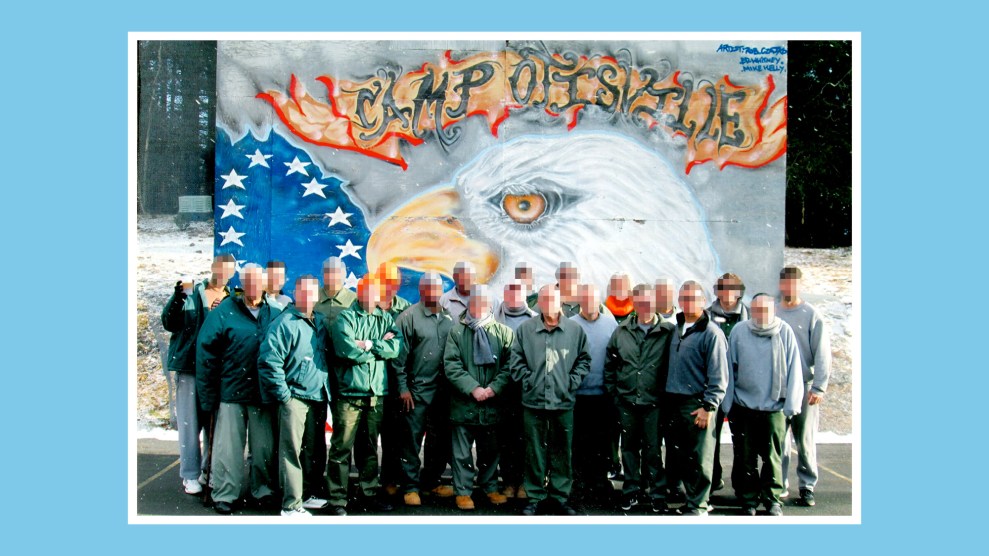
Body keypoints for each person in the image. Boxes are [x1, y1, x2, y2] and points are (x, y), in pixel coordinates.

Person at [196, 263, 281, 514]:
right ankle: (225, 494)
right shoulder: (224, 312)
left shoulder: (274, 312)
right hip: (231, 392)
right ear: (242, 284)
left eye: (257, 281)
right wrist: (208, 394)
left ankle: (263, 491)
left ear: (264, 284)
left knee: (264, 448)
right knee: (228, 449)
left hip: (262, 394)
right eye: (248, 281)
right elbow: (205, 353)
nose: (253, 286)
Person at [510, 285, 592, 516]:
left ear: (560, 302)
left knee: (561, 450)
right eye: (544, 299)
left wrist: (571, 382)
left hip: (563, 401)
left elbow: (584, 360)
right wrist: (529, 381)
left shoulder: (575, 331)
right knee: (534, 450)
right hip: (533, 401)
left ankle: (559, 496)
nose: (548, 303)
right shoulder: (526, 329)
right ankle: (535, 496)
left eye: (552, 299)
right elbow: (515, 360)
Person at [325, 275, 403, 514]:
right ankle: (338, 499)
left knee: (369, 448)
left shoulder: (386, 318)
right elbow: (346, 350)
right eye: (367, 292)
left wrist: (368, 344)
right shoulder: (345, 318)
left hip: (376, 393)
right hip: (349, 394)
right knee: (341, 448)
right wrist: (379, 345)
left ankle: (368, 494)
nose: (372, 297)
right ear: (359, 294)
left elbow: (396, 348)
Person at [257, 274, 333, 518]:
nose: (308, 297)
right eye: (304, 292)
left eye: (313, 293)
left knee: (314, 450)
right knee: (291, 451)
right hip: (295, 398)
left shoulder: (319, 321)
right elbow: (268, 361)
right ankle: (290, 504)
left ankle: (307, 494)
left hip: (317, 396)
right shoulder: (285, 323)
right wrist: (284, 395)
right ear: (296, 293)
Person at [160, 253, 235, 495]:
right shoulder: (192, 291)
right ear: (213, 267)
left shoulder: (232, 298)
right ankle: (190, 474)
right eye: (220, 268)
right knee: (189, 422)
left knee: (213, 422)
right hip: (190, 367)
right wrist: (177, 297)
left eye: (228, 271)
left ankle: (207, 470)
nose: (223, 274)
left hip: (217, 368)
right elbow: (169, 322)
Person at [723, 293, 803, 516]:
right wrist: (727, 404)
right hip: (744, 406)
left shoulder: (784, 332)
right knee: (744, 457)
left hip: (774, 408)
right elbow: (730, 369)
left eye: (765, 310)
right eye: (756, 310)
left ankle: (772, 498)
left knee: (772, 457)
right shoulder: (740, 331)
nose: (760, 315)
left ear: (773, 310)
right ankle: (747, 499)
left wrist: (791, 405)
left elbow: (794, 368)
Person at [604, 283, 675, 514]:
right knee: (629, 450)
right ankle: (631, 490)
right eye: (640, 302)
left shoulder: (668, 332)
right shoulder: (622, 331)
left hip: (654, 403)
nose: (644, 306)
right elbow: (610, 365)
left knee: (653, 451)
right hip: (627, 402)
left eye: (648, 302)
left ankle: (656, 493)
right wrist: (616, 395)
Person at [443, 285, 514, 510]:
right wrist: (473, 388)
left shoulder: (504, 333)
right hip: (464, 403)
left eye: (483, 302)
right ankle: (463, 492)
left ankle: (490, 487)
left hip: (492, 403)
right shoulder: (456, 332)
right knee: (462, 453)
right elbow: (451, 365)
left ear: (490, 305)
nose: (478, 306)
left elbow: (511, 365)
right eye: (474, 302)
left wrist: (493, 388)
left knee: (490, 451)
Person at [390, 273, 457, 505]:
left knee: (438, 440)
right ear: (421, 290)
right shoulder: (407, 318)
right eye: (428, 288)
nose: (433, 293)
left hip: (442, 392)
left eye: (437, 289)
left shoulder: (448, 318)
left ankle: (432, 483)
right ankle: (410, 487)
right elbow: (398, 358)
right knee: (411, 440)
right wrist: (403, 388)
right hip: (415, 392)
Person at [665, 281, 728, 516]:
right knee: (682, 455)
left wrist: (708, 406)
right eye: (684, 297)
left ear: (703, 301)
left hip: (696, 403)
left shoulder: (712, 333)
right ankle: (692, 500)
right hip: (674, 402)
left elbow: (719, 375)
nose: (688, 302)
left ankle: (699, 504)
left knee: (700, 457)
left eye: (694, 298)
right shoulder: (676, 328)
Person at [777, 266, 832, 507]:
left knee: (804, 439)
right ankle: (779, 485)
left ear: (800, 285)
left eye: (794, 284)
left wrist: (819, 386)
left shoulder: (811, 314)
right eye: (785, 283)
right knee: (779, 440)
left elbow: (822, 353)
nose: (789, 288)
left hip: (804, 386)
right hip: (778, 387)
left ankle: (807, 486)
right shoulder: (773, 312)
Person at [305, 256, 356, 504]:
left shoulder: (354, 301)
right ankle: (314, 484)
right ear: (323, 275)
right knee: (314, 434)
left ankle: (344, 485)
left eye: (337, 273)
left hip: (347, 375)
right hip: (318, 373)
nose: (332, 277)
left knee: (345, 433)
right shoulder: (313, 300)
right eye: (328, 273)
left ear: (344, 275)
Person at [570, 284, 620, 502]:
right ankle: (579, 482)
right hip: (577, 395)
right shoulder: (571, 325)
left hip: (603, 395)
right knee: (579, 442)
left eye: (593, 298)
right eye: (585, 298)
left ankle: (600, 481)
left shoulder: (611, 324)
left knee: (602, 441)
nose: (589, 302)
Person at [492, 279, 536, 499]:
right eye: (509, 291)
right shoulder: (493, 316)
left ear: (526, 295)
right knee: (506, 438)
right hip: (501, 388)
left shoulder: (535, 319)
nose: (513, 295)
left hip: (526, 388)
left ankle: (526, 484)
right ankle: (509, 482)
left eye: (518, 291)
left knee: (527, 438)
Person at [708, 272, 751, 493]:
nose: (727, 293)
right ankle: (713, 480)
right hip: (713, 387)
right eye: (722, 288)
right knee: (710, 440)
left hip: (741, 388)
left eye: (732, 288)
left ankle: (742, 486)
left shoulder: (750, 316)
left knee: (742, 443)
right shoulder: (706, 315)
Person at [372, 262, 412, 496]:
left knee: (393, 438)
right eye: (385, 281)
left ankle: (389, 482)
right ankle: (366, 483)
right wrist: (383, 344)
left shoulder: (406, 310)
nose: (389, 286)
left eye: (393, 281)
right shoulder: (367, 307)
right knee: (365, 439)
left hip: (395, 385)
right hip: (370, 383)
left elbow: (403, 350)